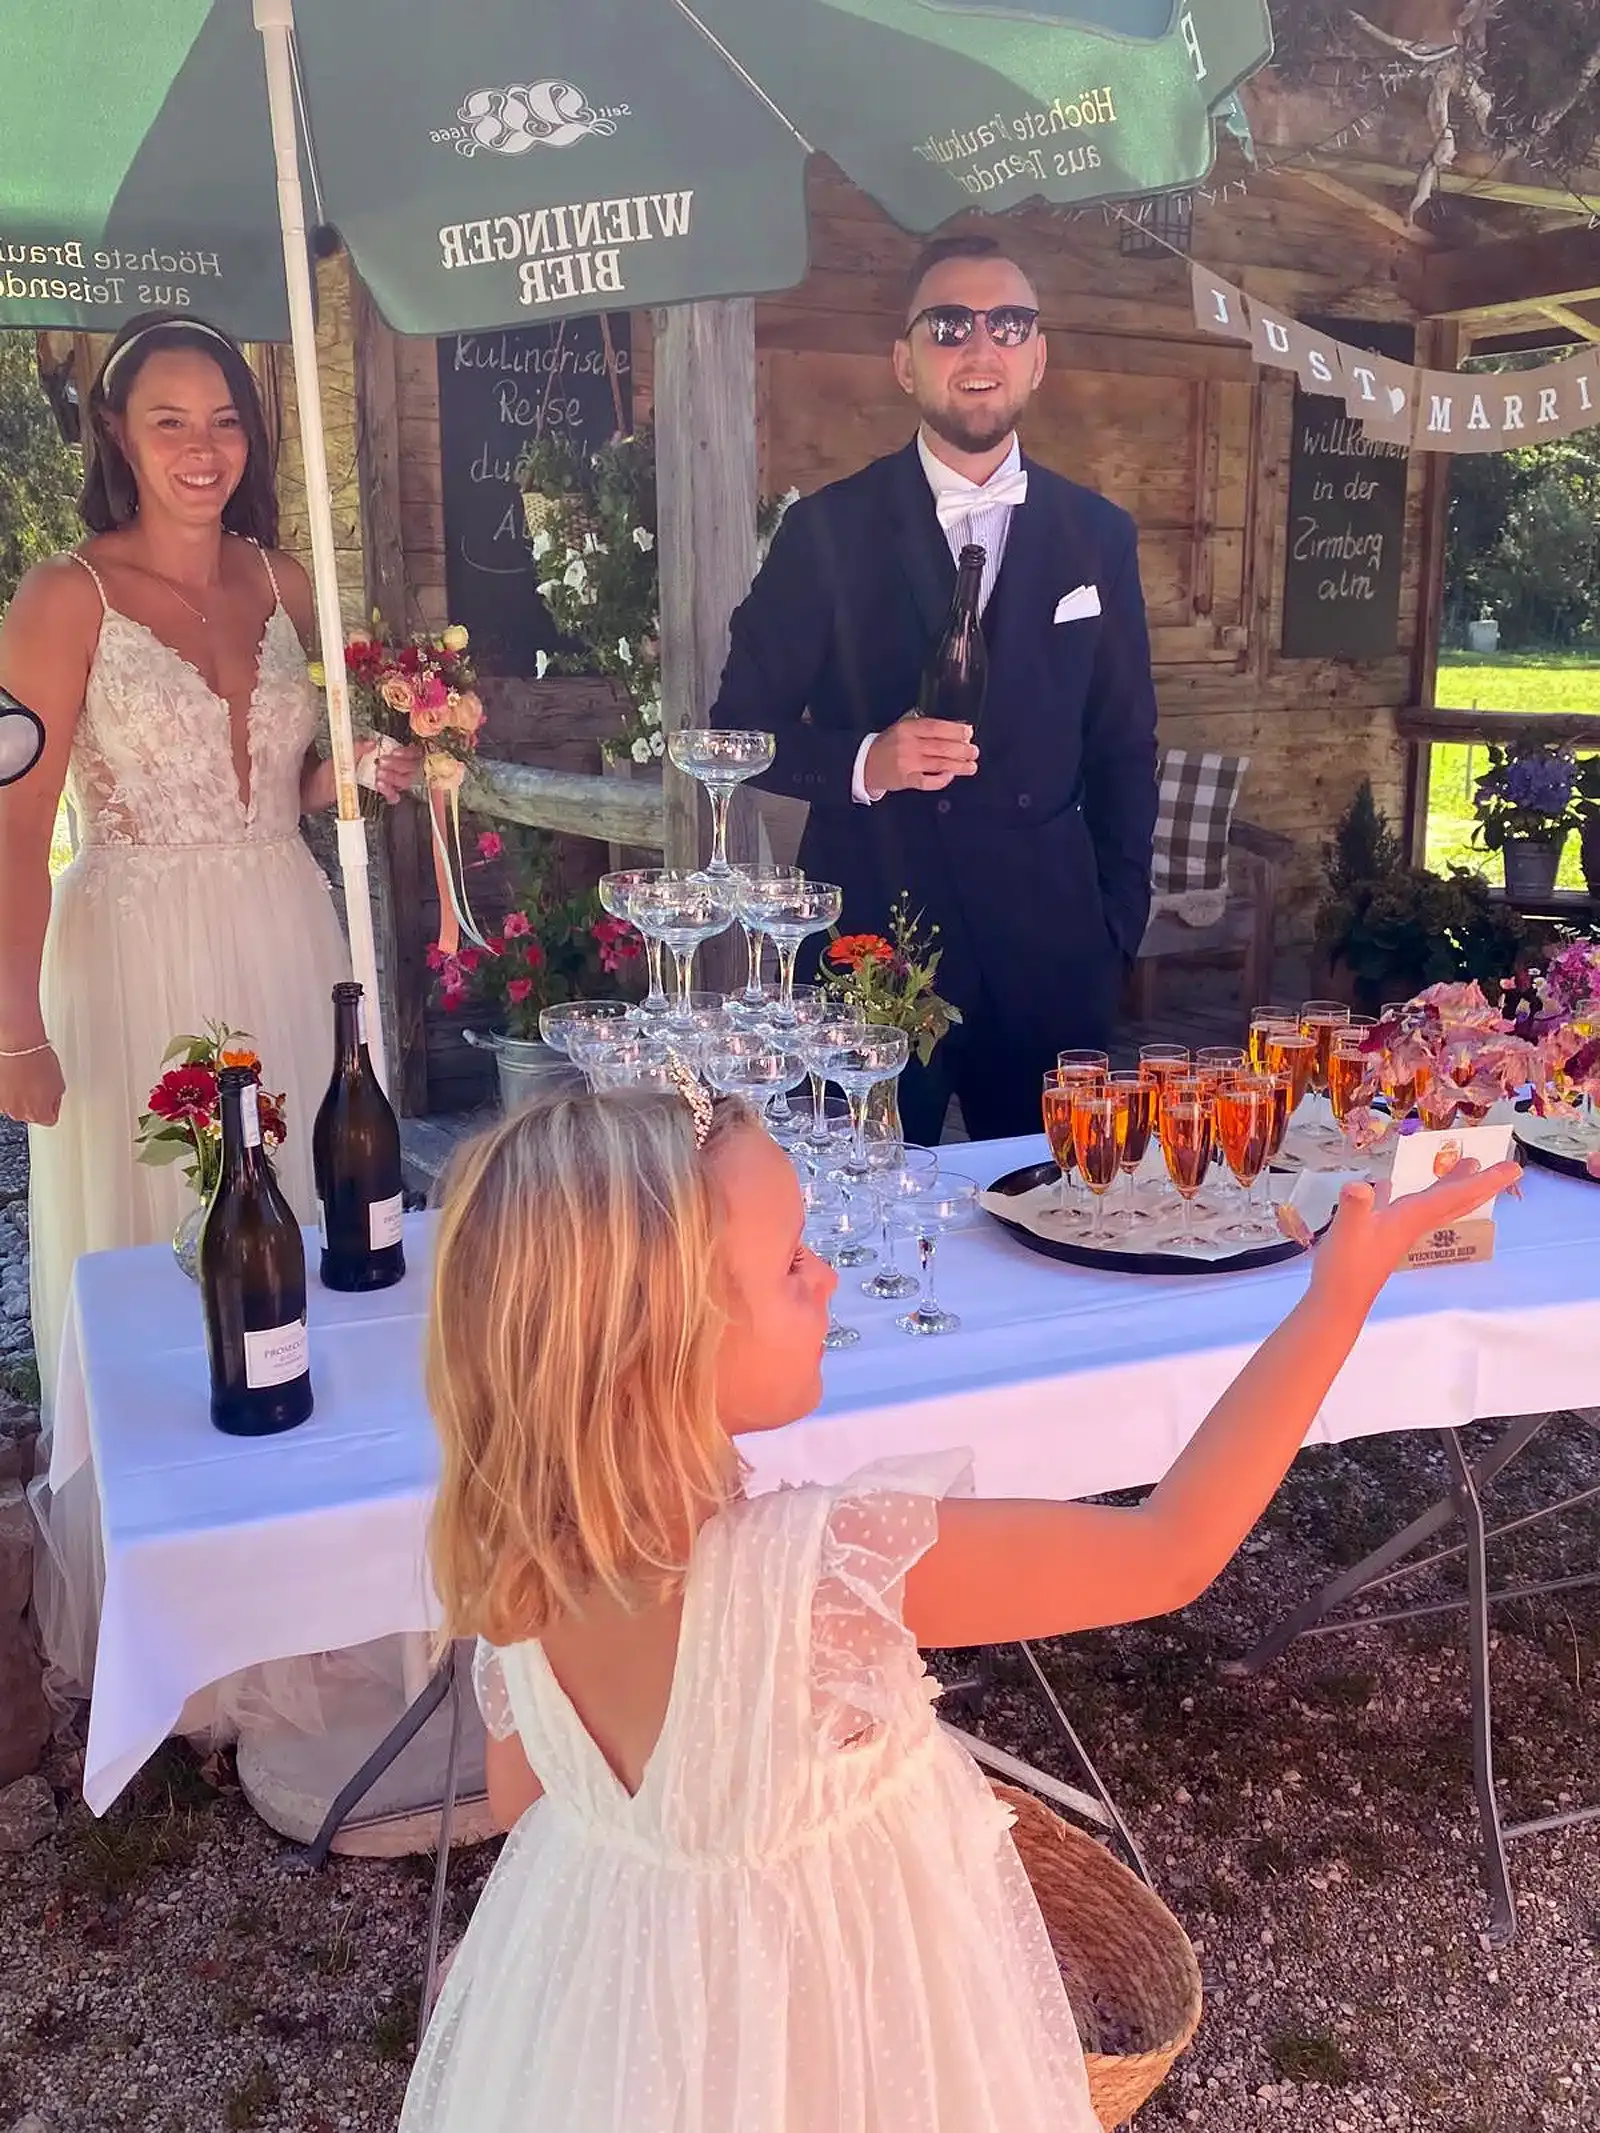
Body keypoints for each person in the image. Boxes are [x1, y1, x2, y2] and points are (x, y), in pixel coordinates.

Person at [401, 1075, 1514, 2133]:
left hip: (623, 2032)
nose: (826, 1279)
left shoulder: (527, 1572)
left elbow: (523, 1802)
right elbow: (1169, 1550)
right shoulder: (814, 1576)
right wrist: (1340, 1297)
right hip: (850, 2033)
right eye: (790, 1263)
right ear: (662, 1344)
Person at [0, 311, 417, 1683]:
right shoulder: (63, 596)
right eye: (169, 420)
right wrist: (12, 1026)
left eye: (226, 419)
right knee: (163, 1257)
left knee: (306, 1229)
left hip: (283, 931)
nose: (202, 447)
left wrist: (363, 773)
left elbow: (292, 780)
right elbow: (13, 822)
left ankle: (316, 1576)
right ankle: (187, 1630)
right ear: (115, 435)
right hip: (135, 959)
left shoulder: (287, 580)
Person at [710, 233, 1158, 1145]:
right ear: (905, 362)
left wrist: (1116, 929)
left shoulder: (1099, 536)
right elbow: (737, 728)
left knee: (1049, 1207)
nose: (980, 345)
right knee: (857, 1201)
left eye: (1009, 324)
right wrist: (866, 761)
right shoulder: (825, 531)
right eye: (950, 325)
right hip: (872, 947)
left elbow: (1123, 746)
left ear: (1038, 358)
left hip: (1050, 955)